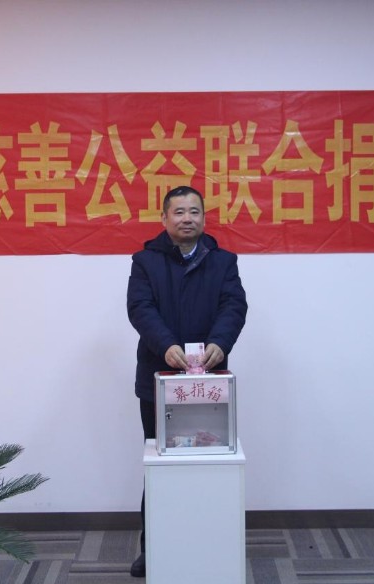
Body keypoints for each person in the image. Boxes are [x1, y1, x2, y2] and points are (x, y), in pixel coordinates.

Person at [126, 185, 248, 577]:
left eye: (194, 211)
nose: (187, 219)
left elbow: (234, 306)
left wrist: (220, 343)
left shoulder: (224, 261)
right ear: (164, 218)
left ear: (204, 218)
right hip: (159, 381)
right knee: (159, 466)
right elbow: (140, 308)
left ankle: (208, 543)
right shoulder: (145, 261)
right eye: (178, 212)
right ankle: (152, 548)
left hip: (209, 383)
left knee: (209, 462)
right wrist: (165, 346)